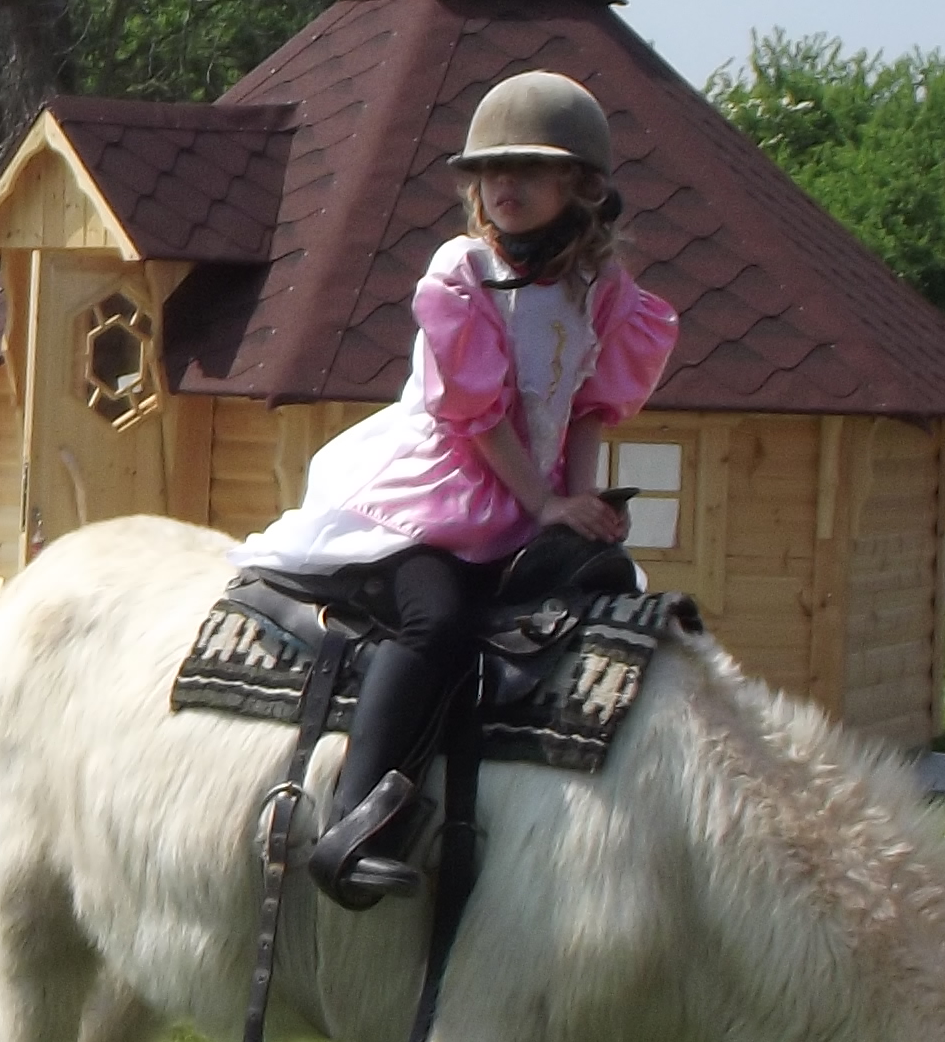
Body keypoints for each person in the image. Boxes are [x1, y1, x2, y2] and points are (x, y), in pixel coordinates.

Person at [236, 71, 679, 907]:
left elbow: (589, 408)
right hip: (439, 494)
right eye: (489, 171)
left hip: (533, 495)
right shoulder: (462, 272)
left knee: (610, 598)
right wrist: (543, 503)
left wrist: (577, 512)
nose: (503, 185)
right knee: (434, 620)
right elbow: (476, 418)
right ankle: (353, 825)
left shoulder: (605, 292)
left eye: (528, 170)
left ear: (581, 185)